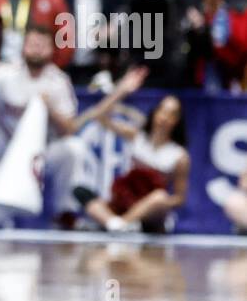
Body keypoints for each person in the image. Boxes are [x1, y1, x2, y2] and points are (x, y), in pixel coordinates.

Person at [0, 27, 145, 228]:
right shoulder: (4, 73)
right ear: (23, 48)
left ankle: (64, 213)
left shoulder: (58, 82)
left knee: (73, 148)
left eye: (42, 45)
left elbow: (70, 129)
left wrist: (51, 109)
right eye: (32, 44)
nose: (37, 49)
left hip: (36, 157)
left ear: (51, 50)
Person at [77, 95, 189, 233]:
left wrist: (160, 203)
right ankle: (114, 223)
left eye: (171, 114)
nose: (164, 117)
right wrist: (122, 91)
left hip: (151, 213)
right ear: (155, 112)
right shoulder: (137, 136)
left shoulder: (179, 155)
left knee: (159, 196)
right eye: (162, 110)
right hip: (126, 202)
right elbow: (99, 116)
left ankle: (119, 224)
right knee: (84, 193)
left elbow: (179, 198)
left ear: (177, 121)